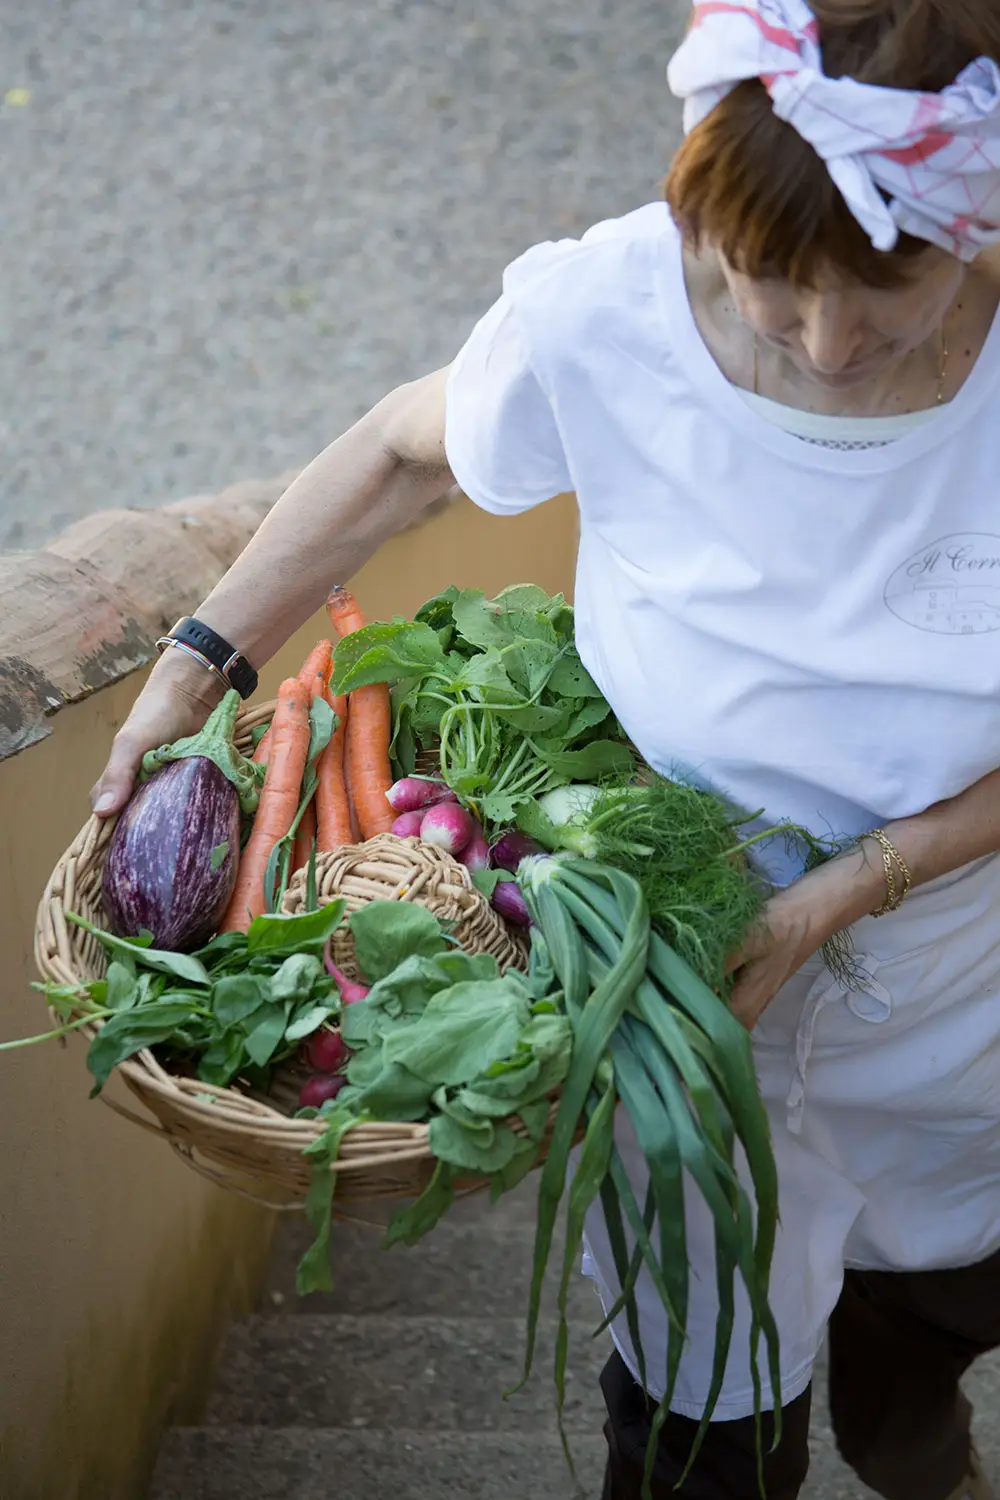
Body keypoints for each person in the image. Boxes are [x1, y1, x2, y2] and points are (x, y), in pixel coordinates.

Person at [91, 2, 1000, 1496]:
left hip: (963, 984)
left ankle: (908, 1437)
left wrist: (859, 883)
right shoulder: (611, 314)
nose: (829, 347)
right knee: (702, 1386)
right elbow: (396, 451)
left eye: (888, 299)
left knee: (945, 1288)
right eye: (772, 285)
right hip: (672, 986)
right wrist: (193, 670)